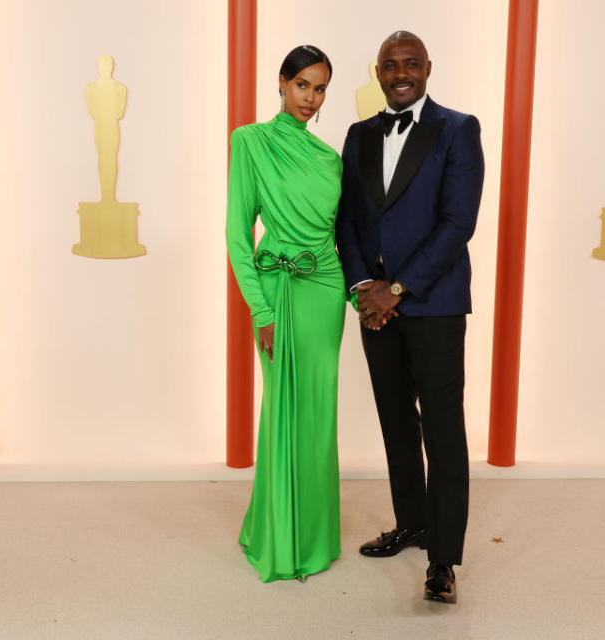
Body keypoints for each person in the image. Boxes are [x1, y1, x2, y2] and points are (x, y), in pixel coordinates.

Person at [335, 30, 485, 604]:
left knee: (444, 431)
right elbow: (345, 219)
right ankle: (412, 522)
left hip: (434, 303)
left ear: (428, 68)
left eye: (411, 64)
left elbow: (458, 222)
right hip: (375, 307)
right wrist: (361, 289)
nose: (401, 73)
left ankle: (443, 559)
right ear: (378, 72)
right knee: (397, 422)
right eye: (391, 65)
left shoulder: (458, 128)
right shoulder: (358, 134)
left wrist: (396, 288)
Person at [226, 45, 345, 583]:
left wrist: (364, 296)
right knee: (279, 411)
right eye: (302, 85)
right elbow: (236, 233)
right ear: (281, 82)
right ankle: (277, 533)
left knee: (318, 416)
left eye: (319, 89)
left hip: (324, 290)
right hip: (275, 290)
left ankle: (314, 538)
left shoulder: (331, 159)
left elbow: (341, 236)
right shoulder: (249, 142)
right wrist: (262, 308)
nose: (310, 98)